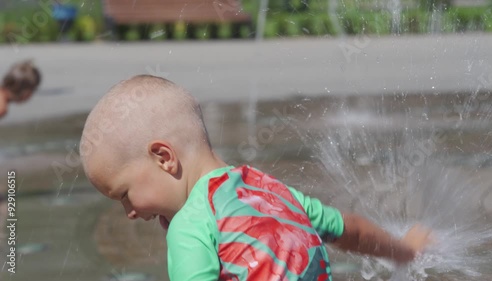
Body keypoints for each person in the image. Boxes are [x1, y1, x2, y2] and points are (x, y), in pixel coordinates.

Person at [79, 75, 433, 281]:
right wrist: (404, 250)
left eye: (124, 193)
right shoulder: (270, 190)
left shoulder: (190, 227)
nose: (128, 211)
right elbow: (349, 230)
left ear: (164, 158)